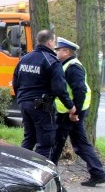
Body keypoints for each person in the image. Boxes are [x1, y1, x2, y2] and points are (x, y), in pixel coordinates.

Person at [12, 30, 76, 160]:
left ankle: (18, 168)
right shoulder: (51, 61)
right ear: (50, 42)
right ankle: (40, 176)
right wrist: (70, 106)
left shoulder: (25, 58)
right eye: (54, 41)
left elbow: (15, 81)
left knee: (29, 139)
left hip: (24, 104)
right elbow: (59, 88)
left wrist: (22, 98)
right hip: (41, 106)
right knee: (46, 143)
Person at [50, 37, 105, 186]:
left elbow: (79, 90)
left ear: (66, 52)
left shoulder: (73, 67)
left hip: (69, 113)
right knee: (80, 144)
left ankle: (48, 175)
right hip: (70, 112)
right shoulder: (67, 64)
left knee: (56, 143)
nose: (56, 52)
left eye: (59, 50)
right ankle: (98, 172)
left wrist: (75, 112)